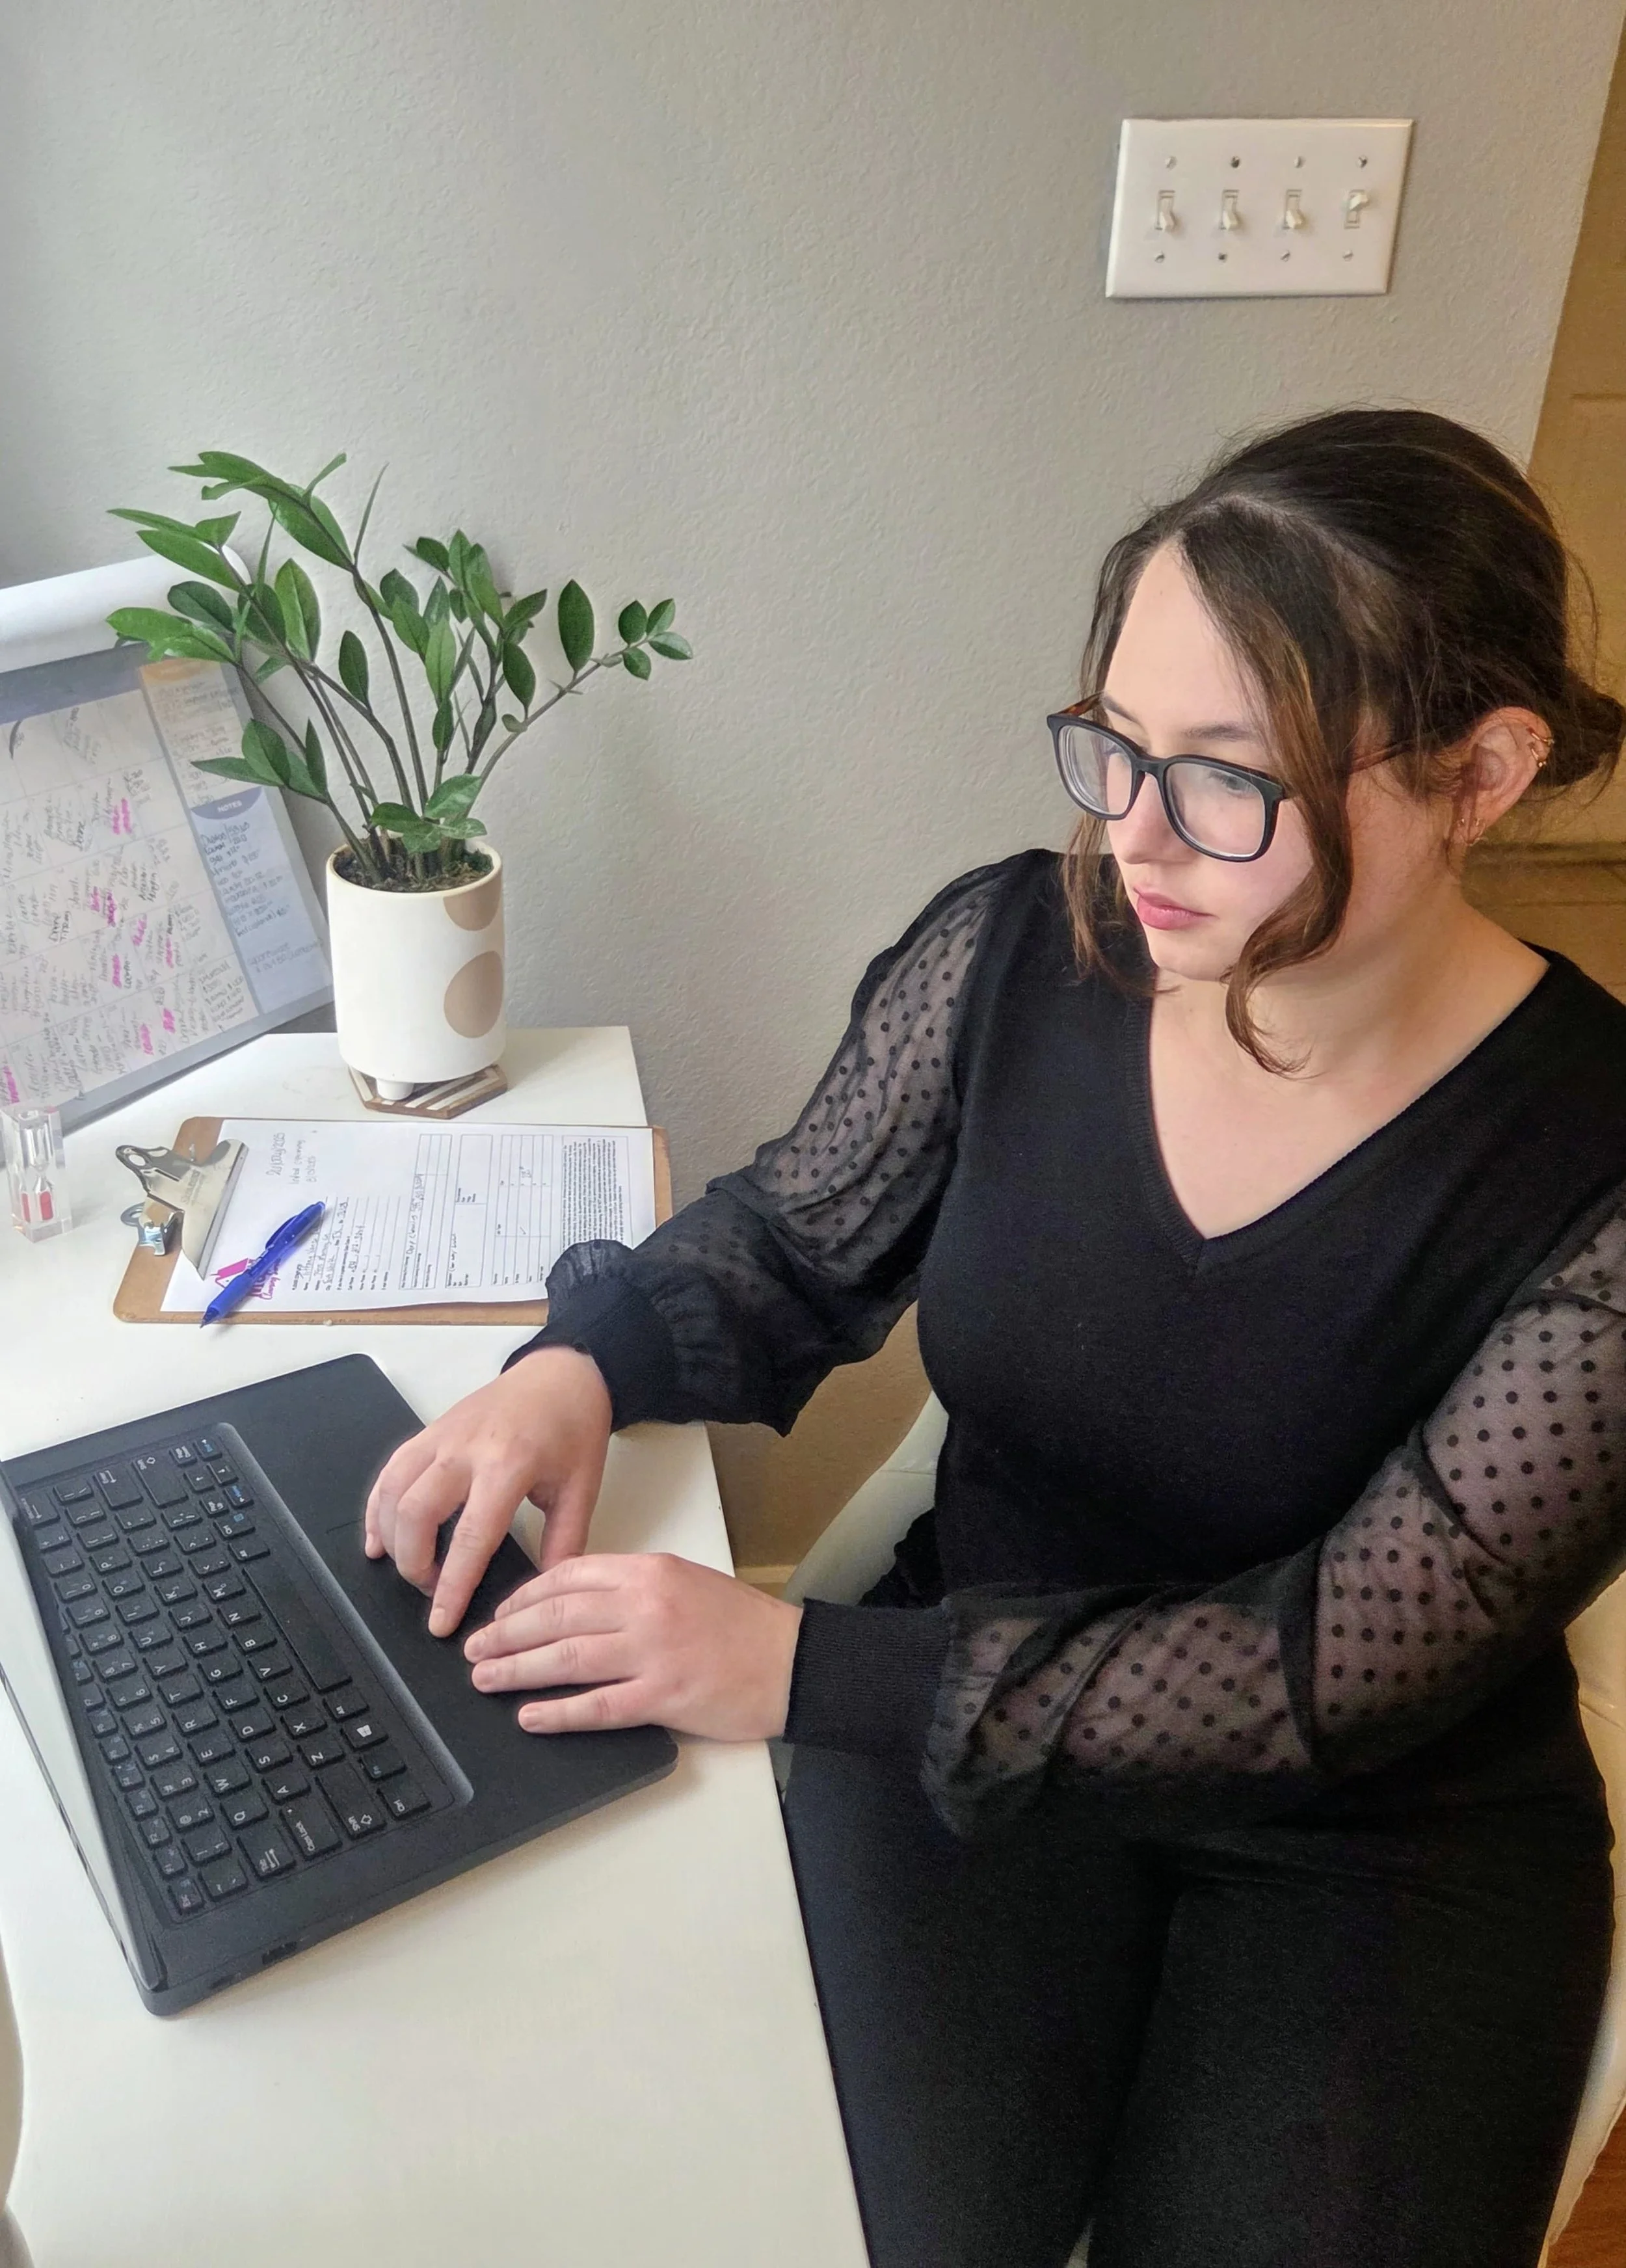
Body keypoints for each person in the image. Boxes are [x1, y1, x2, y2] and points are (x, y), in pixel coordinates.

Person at [364, 408, 1626, 2268]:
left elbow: (1324, 1668)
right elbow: (796, 1236)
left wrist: (793, 1669)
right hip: (979, 1734)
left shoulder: (1592, 1169)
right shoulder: (1019, 959)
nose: (1131, 835)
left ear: (1478, 772)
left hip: (1380, 1839)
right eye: (1113, 745)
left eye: (1223, 778)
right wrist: (579, 1366)